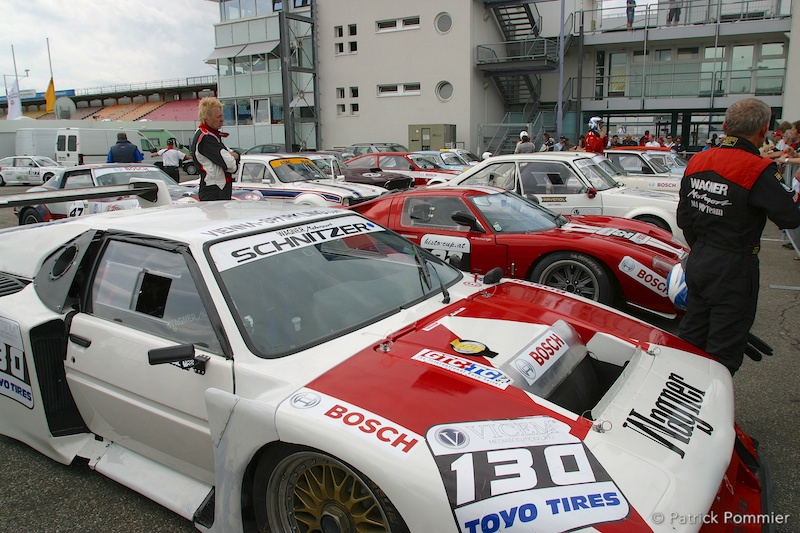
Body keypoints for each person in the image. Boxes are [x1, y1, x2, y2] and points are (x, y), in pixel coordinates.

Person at [677, 97, 800, 375]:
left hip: (700, 261)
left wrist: (704, 248)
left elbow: (684, 219)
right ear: (763, 130)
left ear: (725, 126)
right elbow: (790, 216)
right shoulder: (757, 169)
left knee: (692, 339)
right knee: (724, 352)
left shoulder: (698, 160)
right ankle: (709, 413)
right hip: (733, 267)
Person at [191, 97, 239, 201]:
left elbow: (230, 154)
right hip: (214, 190)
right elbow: (231, 164)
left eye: (222, 115)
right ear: (206, 118)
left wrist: (234, 155)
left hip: (217, 188)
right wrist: (235, 156)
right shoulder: (206, 137)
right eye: (218, 116)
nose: (222, 119)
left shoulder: (211, 135)